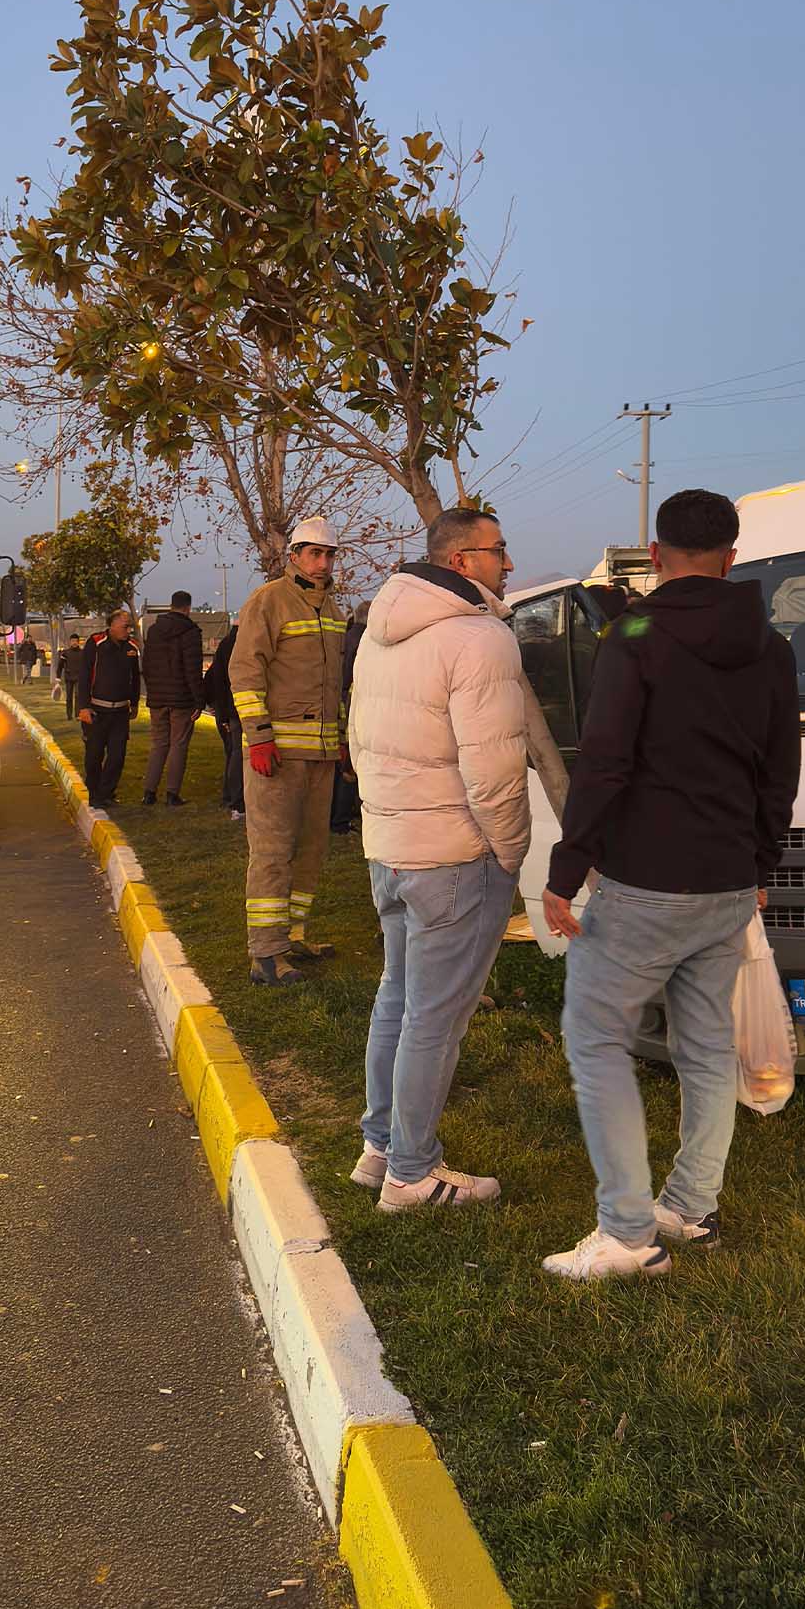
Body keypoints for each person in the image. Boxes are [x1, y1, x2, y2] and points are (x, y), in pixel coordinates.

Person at [540, 489, 802, 1281]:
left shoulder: (636, 636)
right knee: (705, 1043)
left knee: (594, 1040)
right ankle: (690, 1208)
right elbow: (778, 772)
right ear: (732, 553)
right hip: (727, 879)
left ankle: (626, 1233)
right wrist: (760, 866)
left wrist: (567, 868)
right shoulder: (774, 647)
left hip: (645, 882)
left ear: (655, 557)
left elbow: (606, 759)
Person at [347, 508, 529, 1213]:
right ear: (461, 562)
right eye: (498, 549)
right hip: (455, 855)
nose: (508, 564)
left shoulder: (379, 632)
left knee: (397, 997)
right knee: (436, 1017)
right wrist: (510, 852)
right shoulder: (480, 638)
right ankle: (412, 1173)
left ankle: (381, 1146)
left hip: (391, 847)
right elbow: (496, 772)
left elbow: (359, 742)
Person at [230, 517, 348, 986]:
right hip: (275, 754)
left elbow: (332, 682)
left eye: (329, 554)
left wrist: (338, 740)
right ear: (294, 555)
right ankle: (265, 953)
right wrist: (258, 737)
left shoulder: (333, 607)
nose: (322, 563)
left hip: (320, 754)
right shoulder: (269, 600)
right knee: (273, 851)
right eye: (314, 553)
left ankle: (293, 937)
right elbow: (244, 672)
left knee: (311, 849)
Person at [140, 592, 205, 807]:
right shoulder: (191, 632)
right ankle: (172, 793)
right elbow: (192, 670)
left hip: (158, 698)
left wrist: (153, 690)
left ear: (170, 605)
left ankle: (149, 792)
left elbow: (147, 666)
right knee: (179, 744)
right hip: (181, 699)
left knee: (159, 743)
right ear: (187, 607)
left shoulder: (154, 630)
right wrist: (199, 700)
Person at [77, 610, 142, 811]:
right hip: (97, 711)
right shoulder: (96, 643)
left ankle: (105, 794)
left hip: (120, 713)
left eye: (130, 626)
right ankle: (95, 792)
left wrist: (134, 703)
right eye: (125, 626)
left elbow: (135, 678)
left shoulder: (132, 647)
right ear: (112, 625)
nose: (128, 630)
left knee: (117, 756)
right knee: (94, 756)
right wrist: (84, 707)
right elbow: (84, 675)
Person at [330, 598, 371, 834]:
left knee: (341, 763)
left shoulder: (346, 637)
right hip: (351, 706)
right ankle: (341, 819)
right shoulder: (365, 641)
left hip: (340, 704)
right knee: (348, 766)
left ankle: (338, 815)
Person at [203, 622, 245, 819]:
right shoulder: (244, 644)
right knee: (238, 754)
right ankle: (237, 802)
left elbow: (214, 679)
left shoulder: (226, 644)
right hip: (239, 708)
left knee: (233, 754)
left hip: (228, 709)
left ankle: (229, 797)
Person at [58, 634, 84, 720]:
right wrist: (58, 677)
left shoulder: (82, 653)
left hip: (79, 678)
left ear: (78, 642)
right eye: (73, 641)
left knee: (78, 696)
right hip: (68, 678)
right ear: (70, 642)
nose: (74, 643)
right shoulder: (65, 653)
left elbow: (86, 666)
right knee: (69, 697)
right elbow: (60, 665)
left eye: (76, 641)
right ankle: (69, 715)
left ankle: (77, 715)